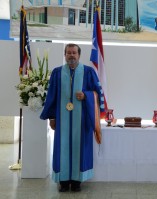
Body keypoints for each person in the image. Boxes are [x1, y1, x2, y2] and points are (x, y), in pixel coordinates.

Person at [40, 43, 105, 192]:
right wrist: (51, 117)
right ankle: (63, 181)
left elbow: (98, 93)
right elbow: (51, 96)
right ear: (65, 55)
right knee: (62, 147)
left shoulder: (88, 72)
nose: (71, 55)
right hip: (62, 121)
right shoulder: (57, 73)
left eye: (74, 53)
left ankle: (77, 181)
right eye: (68, 53)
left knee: (79, 147)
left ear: (79, 55)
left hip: (81, 121)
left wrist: (86, 96)